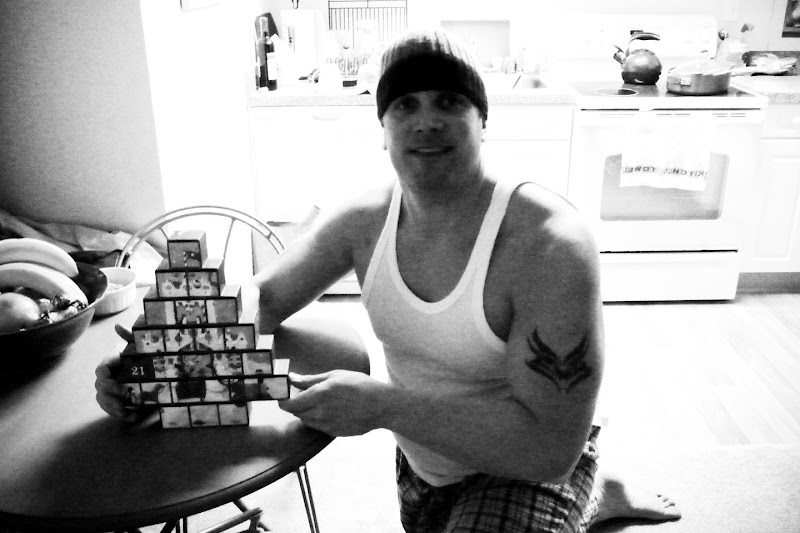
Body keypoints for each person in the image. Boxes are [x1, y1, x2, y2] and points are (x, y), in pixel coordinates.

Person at [96, 28, 680, 533]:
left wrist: (383, 407)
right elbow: (264, 297)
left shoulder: (549, 245)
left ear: (483, 120)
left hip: (530, 471)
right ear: (382, 128)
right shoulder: (364, 219)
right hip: (425, 467)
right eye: (405, 105)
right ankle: (597, 498)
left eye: (449, 100)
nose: (426, 121)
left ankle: (591, 489)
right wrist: (161, 365)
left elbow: (548, 449)